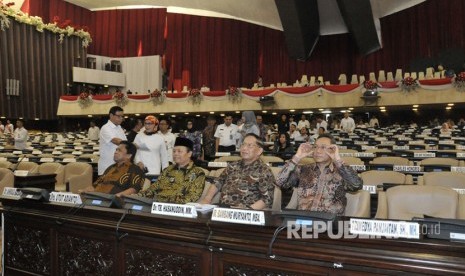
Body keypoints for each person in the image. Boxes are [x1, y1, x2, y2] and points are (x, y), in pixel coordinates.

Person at [276, 133, 363, 215]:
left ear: (332, 149)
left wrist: (337, 160)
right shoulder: (302, 170)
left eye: (323, 147)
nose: (318, 151)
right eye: (315, 147)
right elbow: (279, 182)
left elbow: (356, 185)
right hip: (303, 221)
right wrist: (297, 157)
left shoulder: (341, 172)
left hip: (330, 223)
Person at [200, 133, 276, 210]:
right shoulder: (232, 166)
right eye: (243, 145)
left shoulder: (264, 171)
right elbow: (218, 182)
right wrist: (207, 198)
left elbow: (266, 199)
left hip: (245, 213)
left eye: (250, 145)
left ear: (259, 151)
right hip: (223, 210)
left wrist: (247, 212)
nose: (244, 148)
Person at [138, 137, 206, 204]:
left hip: (176, 209)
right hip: (156, 205)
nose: (175, 154)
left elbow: (192, 197)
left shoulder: (197, 173)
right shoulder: (168, 170)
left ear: (189, 154)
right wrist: (137, 196)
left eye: (179, 151)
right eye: (174, 151)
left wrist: (164, 201)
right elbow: (154, 188)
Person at [98, 106, 127, 175]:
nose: (121, 118)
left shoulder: (119, 128)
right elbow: (116, 141)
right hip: (107, 166)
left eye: (122, 116)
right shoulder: (105, 128)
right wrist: (132, 145)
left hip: (118, 165)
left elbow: (125, 143)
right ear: (111, 115)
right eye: (118, 116)